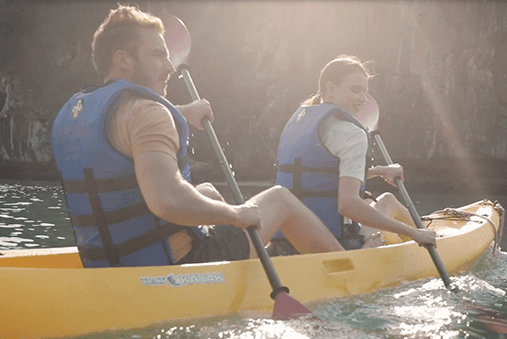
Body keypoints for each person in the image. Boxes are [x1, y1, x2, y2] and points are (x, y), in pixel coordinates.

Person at [50, 5, 343, 268]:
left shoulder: (74, 117)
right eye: (158, 55)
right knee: (280, 199)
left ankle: (257, 251)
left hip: (109, 265)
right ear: (123, 60)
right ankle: (345, 266)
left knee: (207, 191)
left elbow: (124, 136)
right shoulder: (149, 113)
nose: (169, 66)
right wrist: (235, 214)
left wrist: (182, 112)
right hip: (177, 265)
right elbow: (166, 201)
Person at [273, 55, 437, 254]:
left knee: (377, 202)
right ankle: (430, 241)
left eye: (365, 92)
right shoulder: (353, 134)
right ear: (331, 89)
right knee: (387, 201)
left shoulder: (299, 123)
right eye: (355, 90)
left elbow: (318, 178)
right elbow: (348, 205)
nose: (363, 99)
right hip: (332, 244)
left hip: (285, 241)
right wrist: (412, 232)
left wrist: (378, 171)